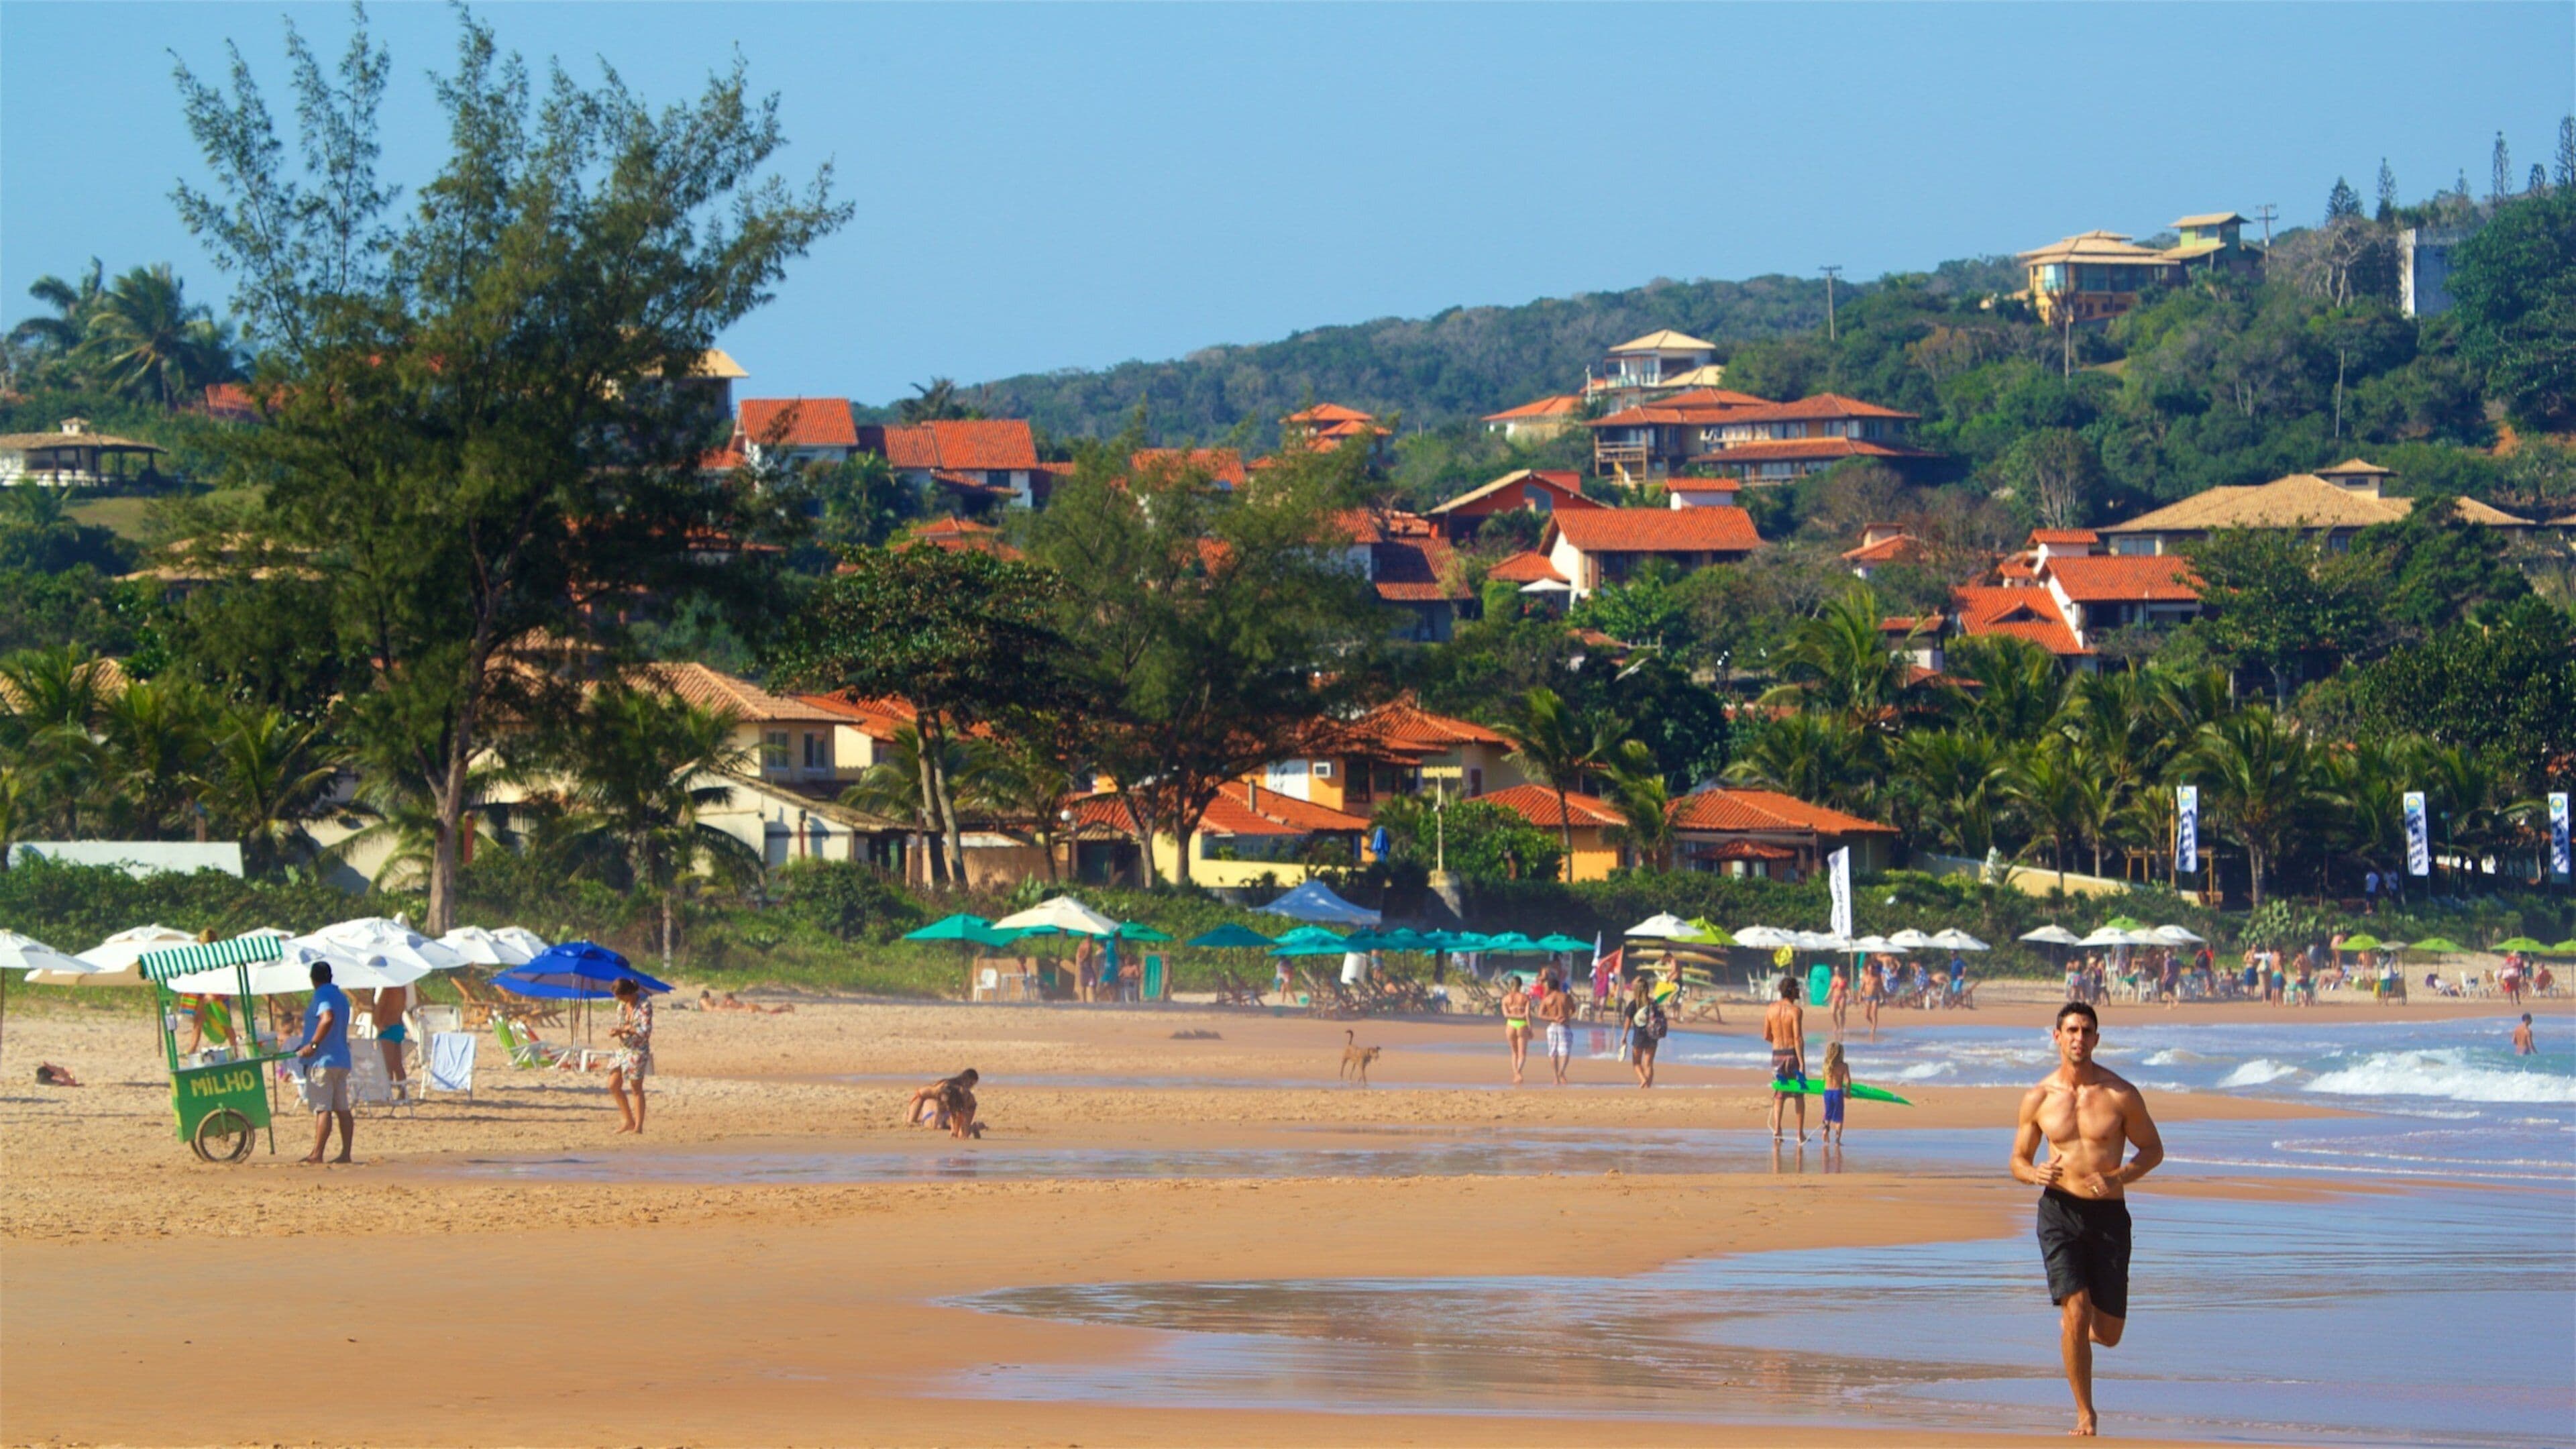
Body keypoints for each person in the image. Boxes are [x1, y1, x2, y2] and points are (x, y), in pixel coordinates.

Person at [2010, 1001, 2165, 1438]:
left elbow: (2153, 1150)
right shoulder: (2038, 1098)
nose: (2079, 1038)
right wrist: (2033, 1173)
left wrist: (2119, 1175)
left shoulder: (2121, 1095)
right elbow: (2018, 1160)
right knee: (2076, 1310)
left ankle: (2073, 1338)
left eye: (2087, 1031)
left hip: (2109, 1217)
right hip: (2059, 1211)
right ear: (2057, 1036)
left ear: (2097, 1039)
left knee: (2109, 1332)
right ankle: (2085, 1414)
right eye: (2072, 1030)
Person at [292, 960, 356, 1165]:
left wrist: (312, 1045)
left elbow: (327, 1018)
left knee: (323, 1108)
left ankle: (317, 1154)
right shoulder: (341, 996)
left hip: (323, 1060)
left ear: (313, 979)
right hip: (341, 1058)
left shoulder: (322, 995)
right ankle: (346, 1154)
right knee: (342, 1109)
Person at [606, 976, 655, 1134]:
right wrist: (617, 1032)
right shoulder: (621, 1007)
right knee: (613, 1085)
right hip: (623, 1048)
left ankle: (638, 1126)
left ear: (628, 993)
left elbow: (645, 1031)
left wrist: (624, 1030)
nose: (619, 1001)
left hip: (638, 1050)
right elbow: (623, 1026)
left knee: (636, 1088)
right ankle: (628, 1120)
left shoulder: (645, 1006)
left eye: (621, 997)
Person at [1764, 975, 1807, 1142]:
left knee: (1779, 1093)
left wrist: (1777, 1042)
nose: (1799, 991)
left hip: (1777, 1055)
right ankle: (1800, 1134)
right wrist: (1802, 1062)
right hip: (1792, 1055)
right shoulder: (1796, 1011)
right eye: (1797, 988)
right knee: (1799, 1094)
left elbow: (1766, 1035)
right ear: (1792, 990)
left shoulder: (1771, 1009)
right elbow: (1798, 1038)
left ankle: (1777, 1129)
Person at [368, 979, 412, 1102]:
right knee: (397, 1064)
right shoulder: (402, 988)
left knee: (386, 1065)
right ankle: (403, 1092)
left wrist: (377, 1024)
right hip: (398, 1026)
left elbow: (381, 1006)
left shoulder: (389, 988)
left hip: (387, 1027)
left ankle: (386, 1094)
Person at [908, 1068, 981, 1132]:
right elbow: (920, 1094)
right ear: (967, 1080)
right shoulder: (944, 1086)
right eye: (971, 1084)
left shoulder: (963, 1091)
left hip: (944, 1113)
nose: (971, 1087)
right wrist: (912, 1120)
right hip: (935, 1110)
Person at [1536, 970, 1574, 1086]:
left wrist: (1553, 1018)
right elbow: (1573, 1009)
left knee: (1553, 1053)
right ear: (1558, 985)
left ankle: (1556, 1077)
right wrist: (1567, 1016)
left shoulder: (1547, 999)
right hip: (1564, 1026)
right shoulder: (1566, 997)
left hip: (1552, 1027)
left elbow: (1540, 1015)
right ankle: (1561, 1072)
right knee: (1565, 1052)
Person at [1625, 977, 1660, 1087]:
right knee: (1649, 1064)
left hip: (1639, 1036)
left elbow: (1628, 1022)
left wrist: (1624, 1036)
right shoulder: (1654, 1003)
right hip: (1653, 1035)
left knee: (1636, 1062)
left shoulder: (1634, 1004)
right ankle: (1647, 1088)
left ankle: (1643, 1079)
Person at [1499, 975, 1532, 1086]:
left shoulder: (1506, 998)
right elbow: (1527, 1014)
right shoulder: (1525, 998)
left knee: (1514, 1052)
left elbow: (1506, 1014)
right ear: (1521, 985)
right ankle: (1518, 1073)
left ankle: (1516, 1074)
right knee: (1522, 1053)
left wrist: (1514, 1016)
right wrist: (1530, 1027)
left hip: (1511, 1025)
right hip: (1522, 1024)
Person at [1821, 1040, 1850, 1146]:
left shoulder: (1825, 1065)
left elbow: (1823, 1079)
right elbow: (1848, 1081)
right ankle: (1837, 1140)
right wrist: (1848, 1092)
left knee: (1827, 1114)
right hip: (1838, 1093)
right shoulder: (1844, 1066)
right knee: (1839, 1118)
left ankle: (1825, 1130)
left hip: (1827, 1092)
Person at [1859, 960, 1883, 1042]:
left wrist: (1883, 997)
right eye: (1870, 969)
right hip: (1867, 998)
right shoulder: (1865, 978)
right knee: (1866, 1015)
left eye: (1873, 969)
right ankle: (1873, 1024)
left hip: (1875, 998)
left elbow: (1881, 989)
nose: (1871, 970)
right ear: (1868, 969)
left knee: (1874, 1014)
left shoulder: (1877, 978)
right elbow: (1861, 988)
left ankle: (1873, 1030)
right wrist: (1859, 997)